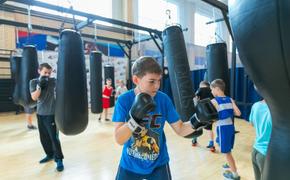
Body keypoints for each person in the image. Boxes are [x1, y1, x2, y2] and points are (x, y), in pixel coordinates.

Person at [112, 56, 217, 180]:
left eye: (159, 80)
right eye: (152, 81)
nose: (157, 86)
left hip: (158, 164)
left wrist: (198, 120)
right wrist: (134, 119)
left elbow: (181, 129)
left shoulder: (163, 99)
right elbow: (119, 139)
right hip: (130, 164)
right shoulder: (124, 100)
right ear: (136, 79)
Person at [30, 63, 64, 172]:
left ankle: (59, 160)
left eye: (49, 73)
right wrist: (39, 86)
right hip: (40, 114)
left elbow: (64, 83)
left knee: (54, 138)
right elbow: (34, 97)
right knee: (44, 138)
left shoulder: (53, 81)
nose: (47, 75)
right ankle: (49, 155)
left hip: (52, 114)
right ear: (39, 71)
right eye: (45, 72)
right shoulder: (33, 82)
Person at [210, 79, 241, 180]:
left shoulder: (214, 101)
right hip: (230, 127)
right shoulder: (230, 99)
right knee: (222, 144)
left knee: (227, 152)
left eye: (212, 90)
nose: (211, 92)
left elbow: (208, 116)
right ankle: (229, 164)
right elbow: (238, 113)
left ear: (217, 89)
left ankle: (235, 175)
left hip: (223, 128)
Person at [249, 96, 272, 180]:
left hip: (255, 150)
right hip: (267, 154)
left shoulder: (256, 105)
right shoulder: (276, 112)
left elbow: (251, 123)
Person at [192, 81, 215, 152]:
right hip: (210, 113)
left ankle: (194, 140)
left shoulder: (200, 89)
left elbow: (195, 98)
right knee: (210, 129)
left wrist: (195, 104)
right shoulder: (211, 90)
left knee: (197, 127)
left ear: (201, 85)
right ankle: (211, 144)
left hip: (201, 113)